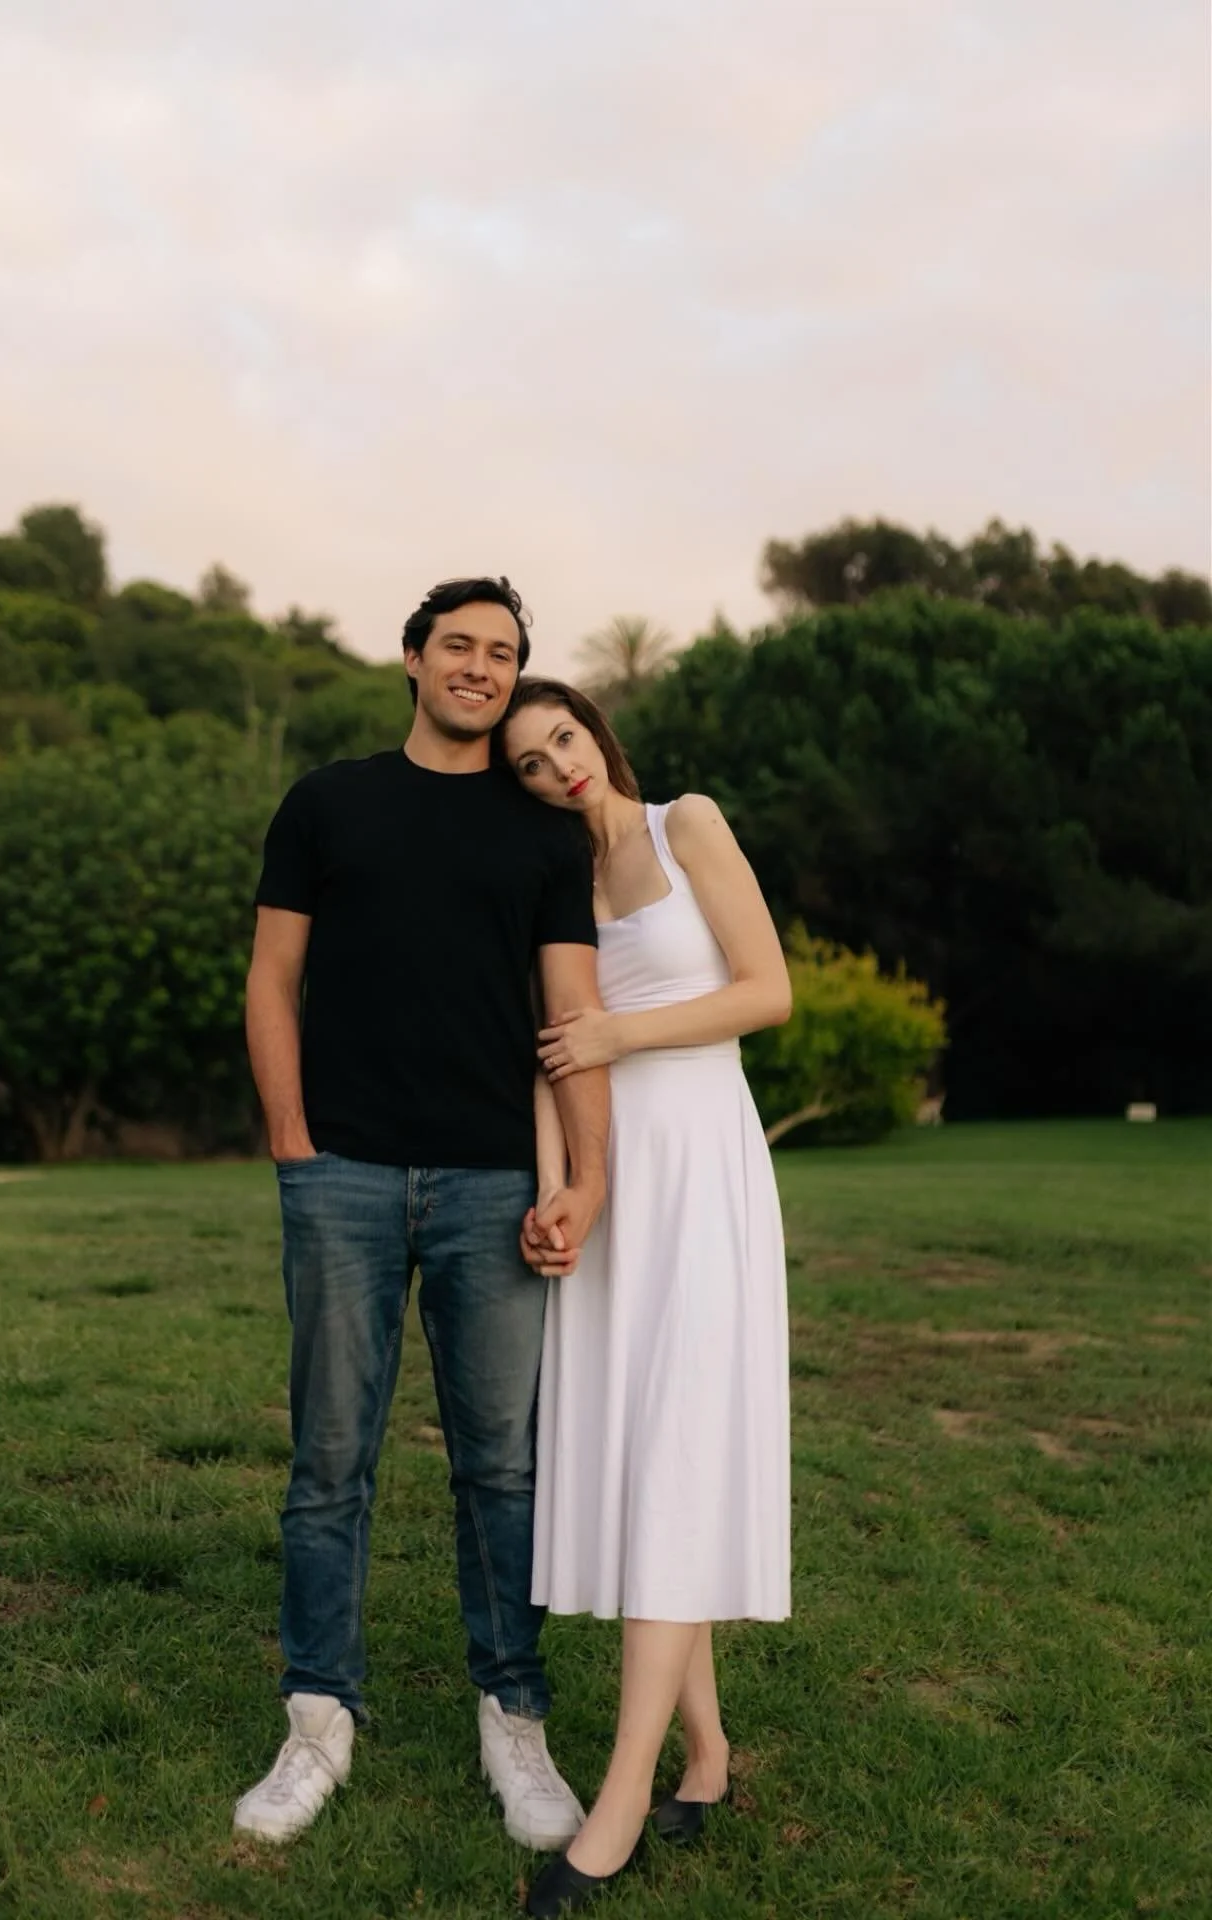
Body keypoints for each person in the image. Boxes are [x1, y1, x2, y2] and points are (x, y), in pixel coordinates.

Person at [235, 583, 611, 1853]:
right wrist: (293, 1140)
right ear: (411, 659)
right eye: (460, 646)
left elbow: (572, 1023)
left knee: (501, 1466)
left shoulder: (545, 834)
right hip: (338, 1169)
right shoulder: (326, 803)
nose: (482, 668)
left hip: (491, 1182)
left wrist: (582, 1177)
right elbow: (272, 979)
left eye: (504, 655)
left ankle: (514, 1717)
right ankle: (317, 1718)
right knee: (328, 1462)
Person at [499, 679, 793, 1918]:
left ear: (597, 735)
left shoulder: (690, 824)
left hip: (707, 1172)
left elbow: (768, 990)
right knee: (642, 1467)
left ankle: (617, 1804)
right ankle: (709, 1755)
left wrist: (630, 1036)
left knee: (676, 1463)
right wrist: (562, 1192)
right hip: (619, 1201)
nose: (556, 765)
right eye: (526, 761)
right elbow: (550, 1056)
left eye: (563, 737)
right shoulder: (551, 888)